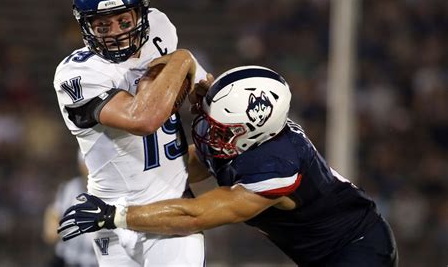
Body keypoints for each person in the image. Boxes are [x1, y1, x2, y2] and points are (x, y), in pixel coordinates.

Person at [58, 65, 399, 267]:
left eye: (219, 128)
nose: (206, 130)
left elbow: (194, 215)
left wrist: (116, 214)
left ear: (250, 135)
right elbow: (190, 161)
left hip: (356, 249)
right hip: (325, 246)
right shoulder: (251, 132)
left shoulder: (273, 168)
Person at [53, 0, 212, 267]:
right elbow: (144, 119)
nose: (116, 34)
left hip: (169, 207)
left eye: (123, 22)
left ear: (140, 14)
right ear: (85, 26)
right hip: (108, 218)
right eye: (102, 26)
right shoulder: (76, 74)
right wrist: (184, 59)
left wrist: (205, 86)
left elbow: (198, 82)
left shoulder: (160, 28)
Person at [43, 150, 98, 267]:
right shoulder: (68, 188)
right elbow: (51, 231)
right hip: (66, 258)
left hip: (94, 261)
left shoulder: (110, 193)